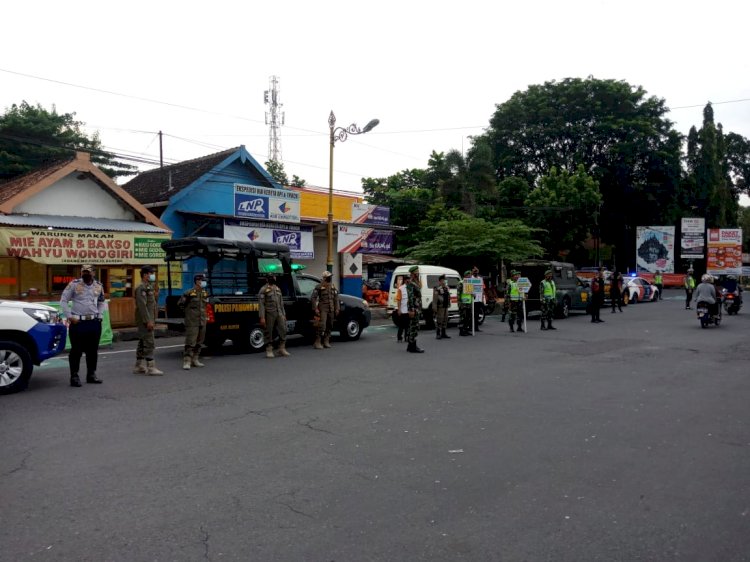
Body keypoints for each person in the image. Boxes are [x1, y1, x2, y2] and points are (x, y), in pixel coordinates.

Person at [60, 264, 106, 387]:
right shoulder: (74, 284)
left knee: (92, 351)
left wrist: (100, 315)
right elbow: (63, 300)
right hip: (78, 322)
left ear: (93, 273)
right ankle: (74, 376)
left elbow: (101, 302)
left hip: (93, 322)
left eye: (88, 272)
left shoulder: (98, 285)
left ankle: (91, 374)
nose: (85, 274)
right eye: (83, 272)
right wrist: (69, 316)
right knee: (76, 351)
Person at [134, 265, 164, 375]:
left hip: (149, 318)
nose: (153, 275)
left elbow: (151, 304)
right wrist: (148, 321)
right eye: (151, 273)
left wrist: (156, 295)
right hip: (145, 320)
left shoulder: (149, 287)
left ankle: (138, 366)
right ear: (145, 275)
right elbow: (142, 306)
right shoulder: (141, 288)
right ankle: (151, 367)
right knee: (149, 342)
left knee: (143, 342)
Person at [178, 273, 208, 370]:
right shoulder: (189, 293)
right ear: (197, 281)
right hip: (192, 322)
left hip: (202, 321)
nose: (204, 282)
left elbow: (205, 306)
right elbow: (180, 304)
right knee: (190, 342)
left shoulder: (204, 293)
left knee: (200, 342)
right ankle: (187, 361)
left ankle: (195, 359)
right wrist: (188, 314)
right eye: (202, 280)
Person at [258, 274, 290, 358]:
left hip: (279, 313)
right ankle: (269, 349)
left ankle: (281, 348)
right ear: (267, 279)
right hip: (269, 313)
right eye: (270, 277)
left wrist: (284, 314)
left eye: (274, 277)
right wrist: (262, 317)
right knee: (269, 332)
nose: (273, 278)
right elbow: (261, 304)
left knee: (283, 329)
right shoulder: (263, 289)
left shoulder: (277, 289)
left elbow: (281, 303)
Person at [311, 271, 340, 349]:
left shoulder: (333, 286)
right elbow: (313, 298)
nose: (330, 278)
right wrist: (315, 308)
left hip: (331, 308)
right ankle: (317, 342)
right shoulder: (319, 286)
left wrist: (337, 308)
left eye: (330, 276)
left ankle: (326, 341)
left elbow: (336, 298)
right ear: (324, 278)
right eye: (328, 277)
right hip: (323, 308)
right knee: (322, 325)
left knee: (330, 325)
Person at [405, 265, 424, 353]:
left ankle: (410, 346)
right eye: (416, 271)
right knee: (414, 327)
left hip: (417, 307)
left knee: (414, 327)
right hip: (414, 308)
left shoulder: (416, 282)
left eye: (418, 271)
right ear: (413, 273)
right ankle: (413, 347)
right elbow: (410, 297)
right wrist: (411, 309)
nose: (418, 273)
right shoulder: (410, 283)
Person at [432, 273, 451, 339]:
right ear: (440, 281)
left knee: (445, 320)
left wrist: (449, 304)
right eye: (442, 280)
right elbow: (435, 299)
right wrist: (434, 308)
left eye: (444, 280)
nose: (444, 282)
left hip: (445, 306)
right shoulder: (437, 288)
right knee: (439, 320)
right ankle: (438, 334)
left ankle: (443, 333)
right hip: (440, 306)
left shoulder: (446, 288)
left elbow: (448, 296)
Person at [458, 270, 474, 336]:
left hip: (469, 303)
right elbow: (458, 294)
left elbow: (470, 293)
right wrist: (460, 303)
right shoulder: (461, 283)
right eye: (469, 275)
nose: (470, 276)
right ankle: (461, 331)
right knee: (463, 317)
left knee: (468, 317)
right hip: (463, 303)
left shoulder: (470, 283)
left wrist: (473, 295)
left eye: (470, 275)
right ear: (465, 276)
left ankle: (466, 329)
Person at [471, 267, 486, 332]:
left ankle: (476, 327)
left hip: (479, 299)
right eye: (474, 271)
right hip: (472, 299)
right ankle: (471, 327)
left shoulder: (480, 279)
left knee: (477, 314)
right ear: (472, 271)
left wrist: (482, 298)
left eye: (477, 271)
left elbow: (482, 289)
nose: (476, 272)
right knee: (472, 314)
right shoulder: (470, 279)